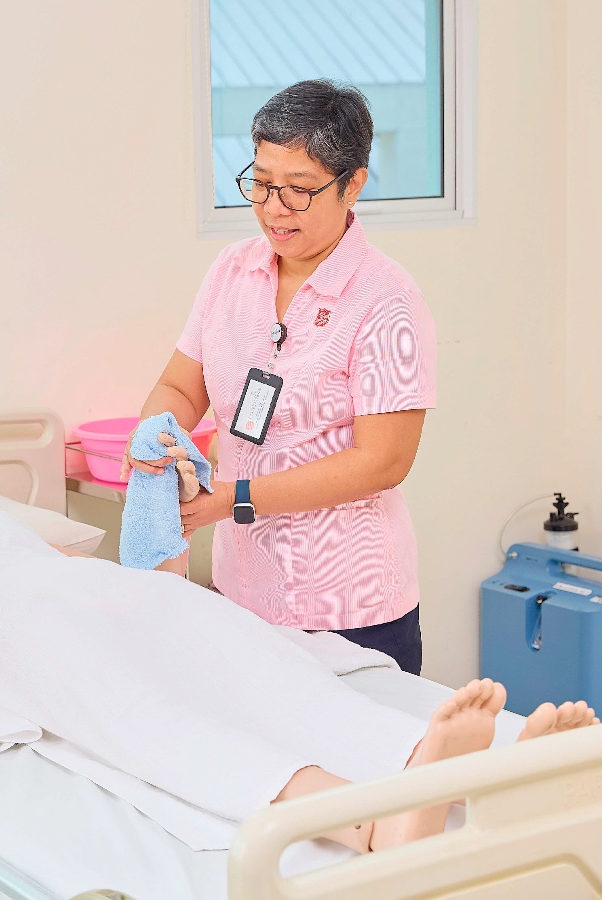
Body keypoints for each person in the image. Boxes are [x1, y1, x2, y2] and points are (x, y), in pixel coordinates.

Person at [0, 508, 599, 853]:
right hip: (13, 624)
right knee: (149, 712)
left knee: (267, 674)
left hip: (114, 596)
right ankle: (375, 826)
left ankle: (474, 769)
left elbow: (80, 561)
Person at [125, 80, 438, 674]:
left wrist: (236, 499)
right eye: (262, 183)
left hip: (348, 605)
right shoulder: (232, 271)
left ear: (352, 185)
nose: (273, 208)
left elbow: (383, 462)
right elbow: (181, 386)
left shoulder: (385, 299)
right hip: (240, 588)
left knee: (360, 761)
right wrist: (154, 440)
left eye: (298, 191)